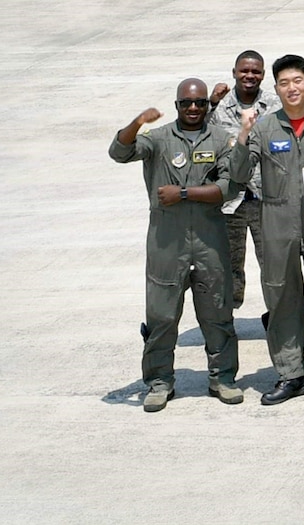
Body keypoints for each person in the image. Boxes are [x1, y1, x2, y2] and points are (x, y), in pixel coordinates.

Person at [109, 78, 244, 411]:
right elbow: (119, 151)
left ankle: (222, 378)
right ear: (177, 106)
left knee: (217, 312)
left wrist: (182, 194)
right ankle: (159, 381)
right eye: (186, 103)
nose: (194, 108)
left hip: (210, 240)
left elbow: (228, 188)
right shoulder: (158, 139)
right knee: (161, 315)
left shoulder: (221, 140)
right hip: (166, 243)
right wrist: (138, 122)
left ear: (207, 105)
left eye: (200, 103)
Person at [233, 54, 304, 405]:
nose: (292, 88)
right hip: (277, 219)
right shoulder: (265, 128)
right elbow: (237, 175)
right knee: (281, 297)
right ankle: (291, 374)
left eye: (298, 81)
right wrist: (243, 134)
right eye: (284, 83)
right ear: (277, 88)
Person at [210, 50, 273, 309]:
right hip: (229, 200)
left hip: (264, 198)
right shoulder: (218, 107)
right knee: (227, 264)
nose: (250, 76)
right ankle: (224, 319)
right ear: (234, 72)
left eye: (255, 71)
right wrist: (211, 102)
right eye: (244, 71)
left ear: (263, 74)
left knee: (272, 263)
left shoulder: (274, 105)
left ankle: (279, 317)